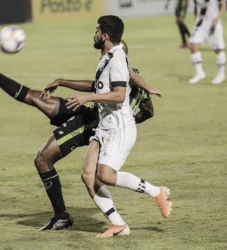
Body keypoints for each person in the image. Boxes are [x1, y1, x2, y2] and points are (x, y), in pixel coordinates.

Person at [0, 39, 161, 231]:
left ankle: (63, 216)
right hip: (88, 113)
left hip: (90, 124)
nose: (102, 52)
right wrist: (63, 82)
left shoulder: (122, 69)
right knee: (37, 97)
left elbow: (126, 90)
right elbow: (147, 110)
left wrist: (122, 125)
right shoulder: (119, 68)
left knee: (43, 160)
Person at [63, 15, 172, 238]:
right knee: (88, 176)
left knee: (106, 176)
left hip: (119, 128)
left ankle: (157, 192)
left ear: (105, 35)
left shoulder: (117, 57)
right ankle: (118, 224)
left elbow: (120, 95)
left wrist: (87, 98)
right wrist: (147, 86)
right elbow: (132, 76)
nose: (94, 33)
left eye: (96, 30)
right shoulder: (109, 56)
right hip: (104, 127)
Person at [188, 0, 227, 84]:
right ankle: (199, 73)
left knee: (218, 49)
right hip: (201, 22)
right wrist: (196, 18)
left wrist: (217, 18)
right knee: (193, 45)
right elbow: (196, 6)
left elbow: (223, 5)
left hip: (213, 22)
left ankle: (221, 74)